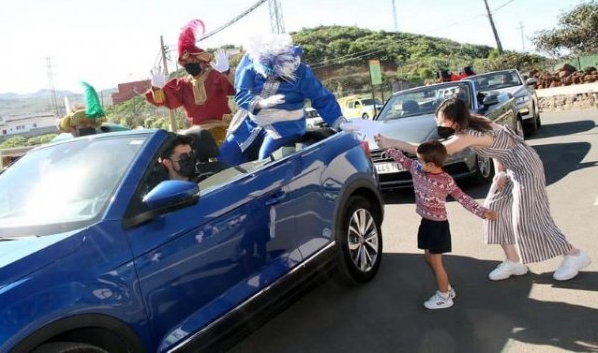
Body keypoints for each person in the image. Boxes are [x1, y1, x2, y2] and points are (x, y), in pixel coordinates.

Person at [375, 97, 591, 281]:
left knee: (527, 217)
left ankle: (574, 255)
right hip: (509, 168)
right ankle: (513, 261)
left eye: (441, 119)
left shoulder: (469, 134)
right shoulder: (475, 123)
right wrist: (499, 172)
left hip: (526, 167)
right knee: (493, 211)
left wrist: (390, 142)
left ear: (453, 120)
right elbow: (501, 149)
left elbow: (426, 150)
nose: (437, 122)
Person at [381, 140, 496, 309]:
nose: (416, 162)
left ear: (430, 164)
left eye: (419, 160)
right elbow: (402, 159)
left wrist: (482, 212)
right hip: (426, 222)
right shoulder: (417, 169)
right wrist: (387, 147)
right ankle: (447, 288)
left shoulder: (446, 180)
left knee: (435, 261)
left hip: (438, 226)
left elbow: (463, 198)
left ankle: (444, 295)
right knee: (427, 257)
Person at [217, 33, 346, 165]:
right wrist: (260, 103)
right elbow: (241, 94)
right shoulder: (251, 68)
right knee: (225, 157)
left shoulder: (302, 72)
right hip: (251, 124)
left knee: (266, 162)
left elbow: (322, 98)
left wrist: (340, 122)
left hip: (285, 126)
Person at [145, 19, 235, 145]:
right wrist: (157, 88)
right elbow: (162, 100)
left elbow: (236, 89)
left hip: (222, 128)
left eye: (192, 61)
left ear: (202, 61)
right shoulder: (182, 84)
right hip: (197, 132)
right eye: (186, 63)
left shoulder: (215, 76)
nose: (189, 65)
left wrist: (227, 72)